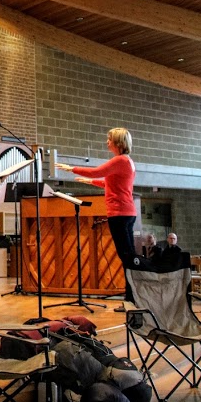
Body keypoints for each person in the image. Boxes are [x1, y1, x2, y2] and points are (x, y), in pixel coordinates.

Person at [56, 127, 136, 311]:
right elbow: (113, 183)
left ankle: (131, 300)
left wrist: (72, 168)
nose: (107, 142)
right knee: (128, 257)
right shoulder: (127, 161)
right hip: (127, 213)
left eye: (109, 139)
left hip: (119, 213)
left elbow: (97, 171)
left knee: (127, 258)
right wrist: (91, 182)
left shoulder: (119, 160)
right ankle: (132, 297)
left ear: (118, 142)